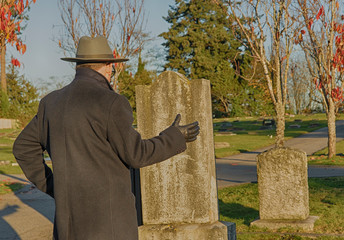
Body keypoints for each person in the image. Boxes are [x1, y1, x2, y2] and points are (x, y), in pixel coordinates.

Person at [12, 36, 200, 240]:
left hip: (68, 227)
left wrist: (55, 187)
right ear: (109, 67)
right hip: (110, 227)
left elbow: (23, 148)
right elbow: (136, 154)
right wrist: (174, 137)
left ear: (78, 65)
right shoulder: (111, 103)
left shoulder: (51, 103)